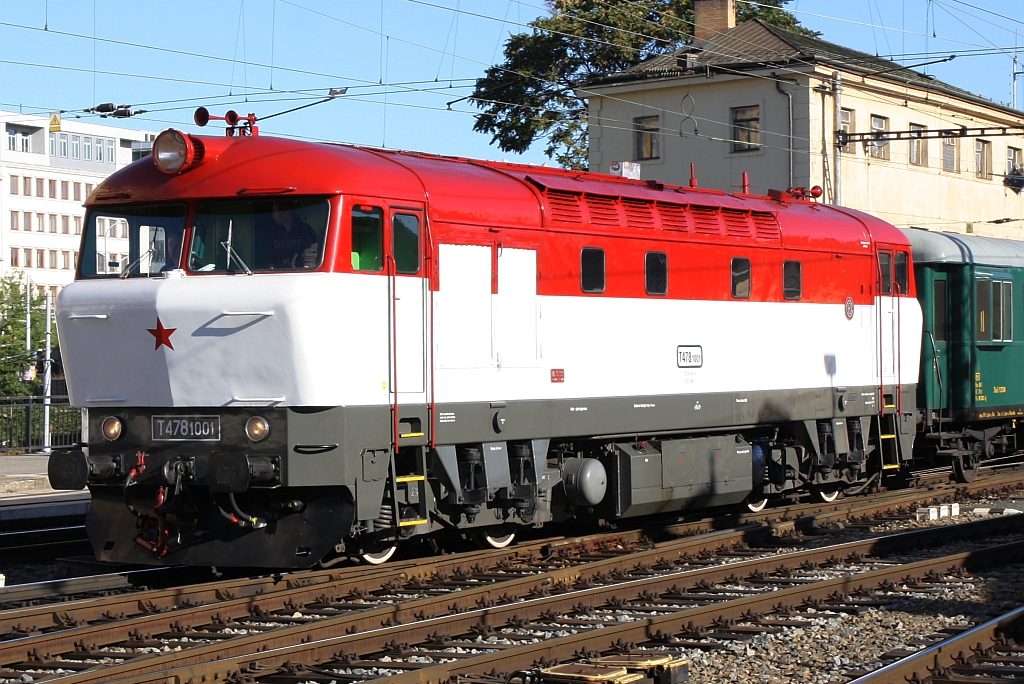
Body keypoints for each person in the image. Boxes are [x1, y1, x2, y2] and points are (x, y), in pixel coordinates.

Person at [268, 201, 318, 269]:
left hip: (298, 275)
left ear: (286, 212)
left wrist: (304, 272)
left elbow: (309, 260)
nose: (272, 216)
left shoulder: (306, 231)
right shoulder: (276, 233)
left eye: (275, 212)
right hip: (278, 276)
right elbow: (272, 260)